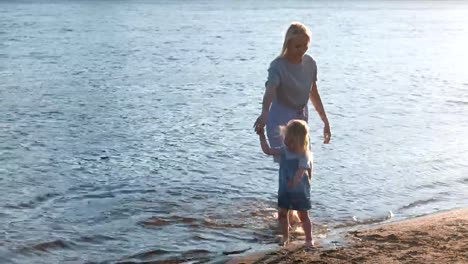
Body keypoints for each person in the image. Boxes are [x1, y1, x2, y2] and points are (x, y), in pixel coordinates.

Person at [253, 21, 330, 236]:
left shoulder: (310, 63)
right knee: (288, 163)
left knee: (306, 165)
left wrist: (325, 119)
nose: (302, 50)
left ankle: (299, 208)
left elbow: (313, 92)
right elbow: (270, 90)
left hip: (300, 118)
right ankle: (284, 214)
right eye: (298, 46)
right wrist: (265, 112)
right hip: (279, 119)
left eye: (305, 46)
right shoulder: (277, 66)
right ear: (288, 44)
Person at [257, 119, 314, 247]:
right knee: (282, 213)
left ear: (300, 141)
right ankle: (285, 236)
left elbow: (301, 171)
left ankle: (309, 238)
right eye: (286, 138)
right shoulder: (284, 150)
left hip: (299, 190)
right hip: (284, 188)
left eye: (290, 141)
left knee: (303, 215)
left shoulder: (303, 155)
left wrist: (294, 182)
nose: (286, 142)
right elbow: (268, 150)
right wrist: (262, 136)